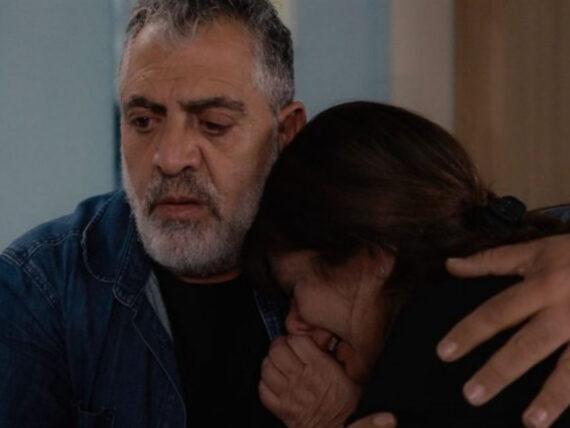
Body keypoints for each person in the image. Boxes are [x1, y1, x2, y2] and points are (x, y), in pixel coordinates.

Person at [1, 1, 570, 426]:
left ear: (286, 132)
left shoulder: (355, 237)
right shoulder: (40, 290)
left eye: (213, 124)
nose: (169, 158)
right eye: (143, 121)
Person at [244, 101, 570, 427]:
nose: (293, 325)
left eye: (295, 289)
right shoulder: (532, 261)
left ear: (371, 256)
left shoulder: (429, 342)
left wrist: (335, 419)